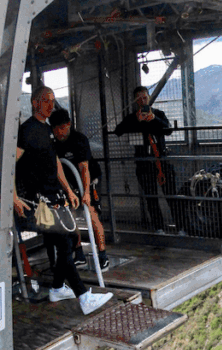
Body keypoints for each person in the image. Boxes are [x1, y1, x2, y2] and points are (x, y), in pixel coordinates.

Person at [14, 87, 113, 315]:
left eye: (52, 100)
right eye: (45, 101)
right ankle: (84, 297)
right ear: (35, 103)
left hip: (55, 197)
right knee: (62, 241)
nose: (50, 105)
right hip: (40, 202)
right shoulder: (26, 131)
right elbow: (9, 164)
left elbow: (56, 162)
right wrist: (13, 198)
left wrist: (69, 189)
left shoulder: (47, 130)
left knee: (67, 242)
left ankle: (58, 288)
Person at [113, 85, 178, 233]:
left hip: (161, 161)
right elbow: (118, 130)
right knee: (151, 197)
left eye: (145, 97)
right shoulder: (132, 117)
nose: (143, 100)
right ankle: (159, 227)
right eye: (139, 98)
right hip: (143, 164)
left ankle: (181, 226)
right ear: (135, 101)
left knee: (171, 195)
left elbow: (168, 130)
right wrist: (136, 120)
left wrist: (153, 119)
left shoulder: (158, 114)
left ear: (148, 97)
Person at [50, 108, 108, 271]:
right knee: (71, 216)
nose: (58, 132)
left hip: (89, 179)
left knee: (91, 212)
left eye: (61, 128)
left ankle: (102, 255)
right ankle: (79, 254)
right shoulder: (54, 144)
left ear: (68, 125)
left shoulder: (79, 140)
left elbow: (84, 168)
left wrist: (87, 193)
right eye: (55, 129)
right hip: (70, 184)